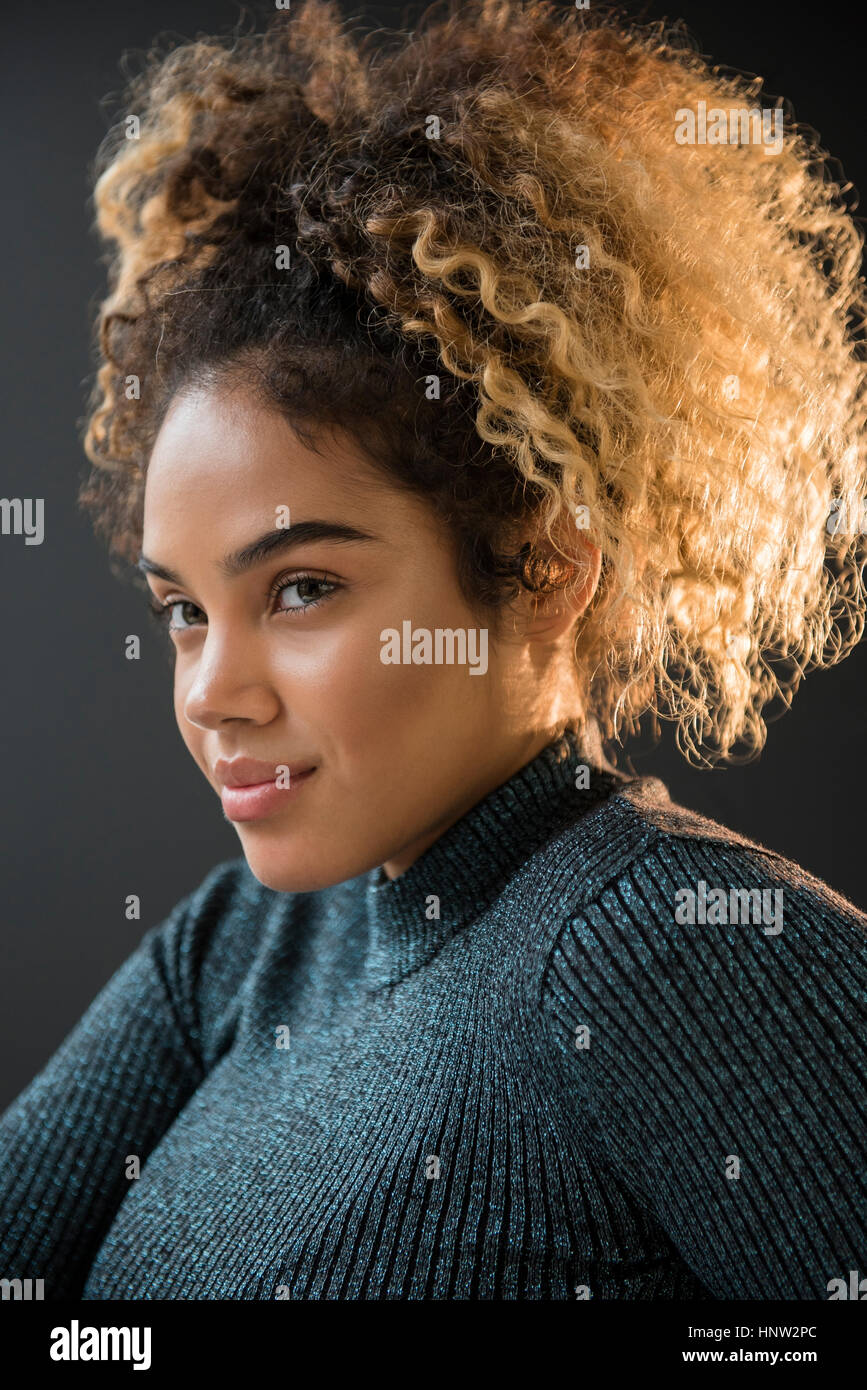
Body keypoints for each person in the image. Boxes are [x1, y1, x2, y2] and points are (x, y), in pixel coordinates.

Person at [1, 0, 866, 1301]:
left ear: (548, 560)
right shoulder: (246, 940)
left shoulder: (678, 947)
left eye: (298, 588)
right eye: (184, 607)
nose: (209, 694)